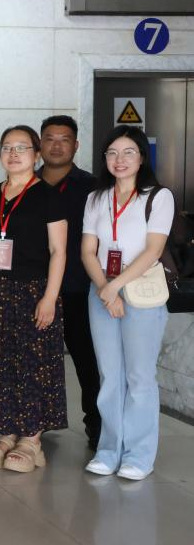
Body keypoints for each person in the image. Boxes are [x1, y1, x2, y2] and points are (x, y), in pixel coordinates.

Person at [0, 125, 68, 473]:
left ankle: (32, 439)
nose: (13, 154)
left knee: (33, 366)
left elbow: (58, 251)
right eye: (7, 147)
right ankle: (7, 433)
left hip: (33, 291)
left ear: (36, 154)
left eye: (22, 148)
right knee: (1, 365)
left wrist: (49, 298)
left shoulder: (48, 195)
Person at [81, 125, 174, 481]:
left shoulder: (157, 197)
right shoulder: (96, 198)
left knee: (139, 376)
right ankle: (109, 450)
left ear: (141, 157)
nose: (119, 160)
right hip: (102, 290)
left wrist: (115, 286)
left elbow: (153, 250)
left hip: (140, 292)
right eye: (112, 153)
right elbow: (88, 251)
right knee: (110, 375)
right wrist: (105, 288)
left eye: (128, 152)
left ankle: (139, 455)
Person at [39, 114, 101, 449]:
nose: (56, 145)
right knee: (34, 362)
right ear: (40, 144)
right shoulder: (26, 183)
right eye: (50, 138)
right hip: (35, 290)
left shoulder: (93, 188)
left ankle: (96, 424)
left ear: (76, 145)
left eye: (64, 139)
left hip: (79, 288)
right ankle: (34, 424)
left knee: (87, 362)